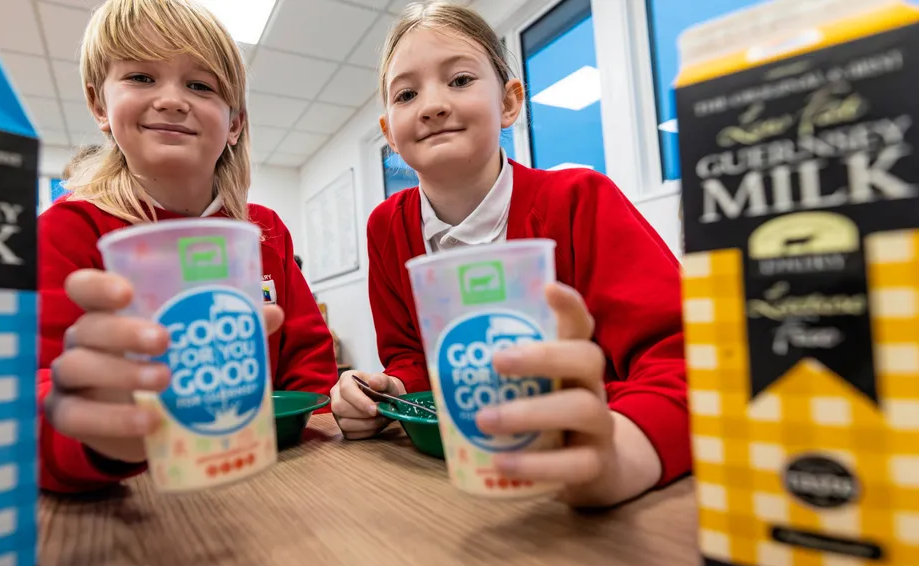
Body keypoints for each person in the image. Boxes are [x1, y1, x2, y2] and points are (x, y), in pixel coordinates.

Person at [330, 1, 689, 508]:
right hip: (450, 482)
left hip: (581, 473)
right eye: (407, 94)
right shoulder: (386, 227)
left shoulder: (580, 200)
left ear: (509, 102)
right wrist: (389, 390)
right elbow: (411, 358)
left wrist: (620, 453)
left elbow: (685, 356)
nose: (432, 105)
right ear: (389, 133)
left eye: (459, 80)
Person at [37, 0, 336, 494]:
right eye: (141, 77)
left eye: (200, 85)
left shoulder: (265, 231)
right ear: (99, 105)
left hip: (269, 479)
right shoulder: (67, 230)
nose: (172, 100)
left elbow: (310, 365)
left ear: (235, 123)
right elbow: (35, 391)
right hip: (134, 492)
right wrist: (98, 439)